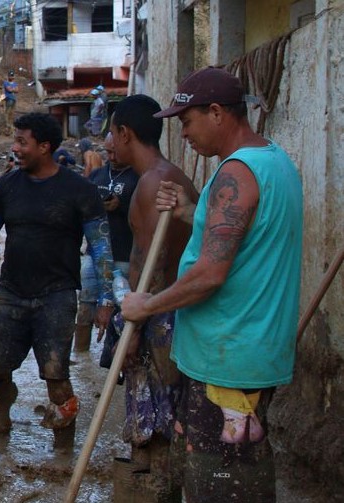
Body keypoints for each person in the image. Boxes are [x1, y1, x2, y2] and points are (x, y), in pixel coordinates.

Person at [122, 67, 303, 502]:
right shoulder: (273, 160)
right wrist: (190, 211)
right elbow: (242, 236)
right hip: (246, 353)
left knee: (220, 482)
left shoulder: (235, 174)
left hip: (228, 359)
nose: (182, 133)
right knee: (238, 468)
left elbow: (209, 274)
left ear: (218, 113)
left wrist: (147, 305)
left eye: (186, 120)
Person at [0, 113, 115, 452]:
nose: (15, 149)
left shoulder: (80, 191)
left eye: (21, 142)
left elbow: (100, 247)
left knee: (57, 378)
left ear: (44, 147)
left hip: (57, 297)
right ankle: (3, 404)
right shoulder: (7, 186)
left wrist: (105, 299)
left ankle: (62, 452)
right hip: (11, 293)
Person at [108, 94, 200, 496]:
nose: (109, 144)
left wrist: (136, 329)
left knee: (158, 419)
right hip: (176, 313)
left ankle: (158, 490)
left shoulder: (151, 183)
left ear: (125, 133)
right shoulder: (177, 177)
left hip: (156, 316)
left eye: (112, 134)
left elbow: (151, 265)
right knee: (168, 417)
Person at [74, 132, 138, 354]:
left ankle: (119, 358)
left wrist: (121, 206)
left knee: (124, 313)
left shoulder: (139, 177)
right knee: (85, 309)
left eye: (115, 151)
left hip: (125, 256)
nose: (111, 156)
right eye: (108, 151)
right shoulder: (97, 176)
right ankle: (80, 359)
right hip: (93, 255)